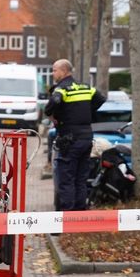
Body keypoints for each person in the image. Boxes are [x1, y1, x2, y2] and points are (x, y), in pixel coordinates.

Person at [43, 59, 105, 211]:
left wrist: (57, 116)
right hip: (86, 139)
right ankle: (80, 216)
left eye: (54, 70)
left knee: (66, 180)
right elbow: (101, 98)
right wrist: (86, 112)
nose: (53, 73)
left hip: (69, 140)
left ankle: (68, 218)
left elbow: (51, 106)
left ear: (64, 71)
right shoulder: (85, 87)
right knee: (80, 179)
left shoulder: (62, 89)